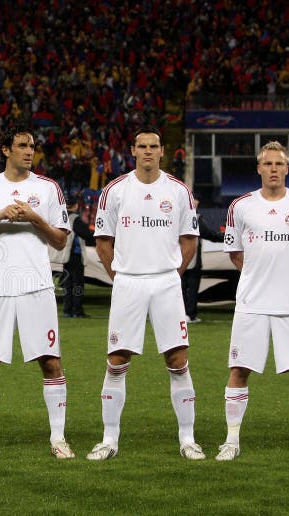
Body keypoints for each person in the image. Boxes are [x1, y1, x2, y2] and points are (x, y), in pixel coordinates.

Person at [87, 127, 204, 461]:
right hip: (128, 283)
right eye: (143, 146)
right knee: (117, 360)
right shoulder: (114, 191)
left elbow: (189, 240)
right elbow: (103, 241)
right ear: (133, 150)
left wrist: (171, 274)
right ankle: (109, 440)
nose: (148, 151)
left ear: (162, 151)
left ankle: (188, 439)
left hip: (166, 283)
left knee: (178, 360)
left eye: (154, 146)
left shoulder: (179, 191)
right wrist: (119, 276)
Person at [0, 125, 74, 460]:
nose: (29, 151)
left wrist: (34, 217)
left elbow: (59, 240)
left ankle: (58, 439)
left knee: (50, 362)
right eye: (22, 146)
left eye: (32, 146)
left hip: (37, 286)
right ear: (5, 150)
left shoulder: (48, 189)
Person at [216, 141, 289, 461]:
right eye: (267, 164)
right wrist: (258, 273)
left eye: (279, 164)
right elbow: (236, 253)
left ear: (287, 168)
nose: (273, 170)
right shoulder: (240, 206)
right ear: (259, 169)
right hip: (251, 303)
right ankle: (231, 440)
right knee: (239, 369)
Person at [181, 198, 224, 323]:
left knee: (181, 287)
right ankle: (190, 314)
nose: (196, 202)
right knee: (192, 287)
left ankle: (181, 313)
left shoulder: (176, 216)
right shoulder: (196, 218)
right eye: (194, 200)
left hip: (177, 258)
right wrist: (227, 237)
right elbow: (210, 235)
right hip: (192, 258)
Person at [61, 195, 95, 318]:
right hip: (75, 255)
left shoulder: (62, 218)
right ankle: (77, 310)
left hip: (65, 255)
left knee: (67, 283)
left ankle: (67, 310)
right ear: (76, 205)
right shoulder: (75, 218)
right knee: (78, 283)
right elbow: (86, 234)